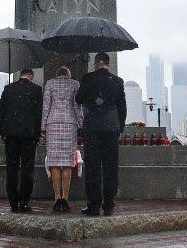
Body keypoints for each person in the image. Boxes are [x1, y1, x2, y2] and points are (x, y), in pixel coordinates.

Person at [75, 52, 126, 216]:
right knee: (111, 168)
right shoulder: (117, 82)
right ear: (108, 64)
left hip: (92, 129)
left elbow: (78, 98)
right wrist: (120, 128)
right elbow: (122, 108)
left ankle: (94, 205)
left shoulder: (88, 79)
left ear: (96, 63)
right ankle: (109, 205)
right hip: (111, 130)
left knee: (93, 167)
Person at [0, 68, 43, 213]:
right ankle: (24, 201)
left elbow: (2, 111)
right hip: (29, 135)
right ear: (31, 76)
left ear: (21, 75)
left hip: (10, 134)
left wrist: (2, 133)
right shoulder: (36, 89)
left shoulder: (8, 88)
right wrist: (37, 135)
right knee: (27, 168)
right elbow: (38, 113)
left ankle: (13, 201)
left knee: (11, 168)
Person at [41, 66, 83, 213]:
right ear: (68, 75)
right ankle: (65, 198)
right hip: (70, 124)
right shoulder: (75, 84)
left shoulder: (49, 83)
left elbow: (46, 106)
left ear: (57, 75)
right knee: (67, 163)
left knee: (54, 162)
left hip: (52, 123)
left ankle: (56, 198)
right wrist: (81, 123)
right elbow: (77, 107)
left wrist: (43, 126)